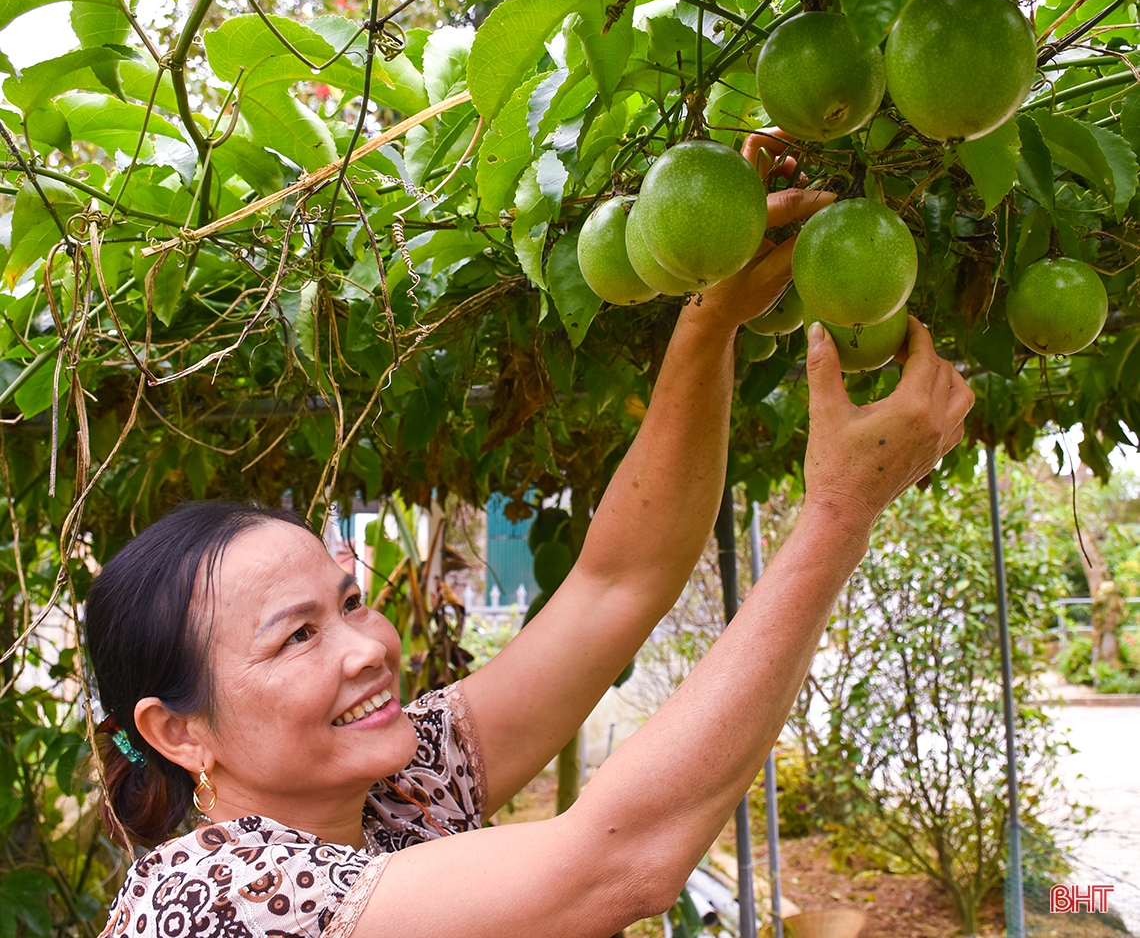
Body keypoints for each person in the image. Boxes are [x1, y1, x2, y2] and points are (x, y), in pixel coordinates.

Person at [86, 135, 973, 938]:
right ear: (179, 732)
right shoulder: (205, 896)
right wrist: (838, 513)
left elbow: (616, 583)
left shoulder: (400, 788)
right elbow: (619, 864)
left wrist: (712, 315)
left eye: (349, 602)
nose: (366, 649)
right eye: (298, 635)